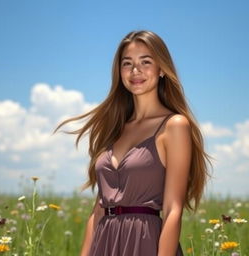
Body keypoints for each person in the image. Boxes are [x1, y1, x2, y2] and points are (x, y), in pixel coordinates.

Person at [55, 30, 211, 256]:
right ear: (119, 72)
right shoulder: (114, 127)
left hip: (145, 243)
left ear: (161, 70)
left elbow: (172, 209)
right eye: (127, 63)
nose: (135, 71)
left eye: (145, 62)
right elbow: (98, 209)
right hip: (104, 243)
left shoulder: (174, 126)